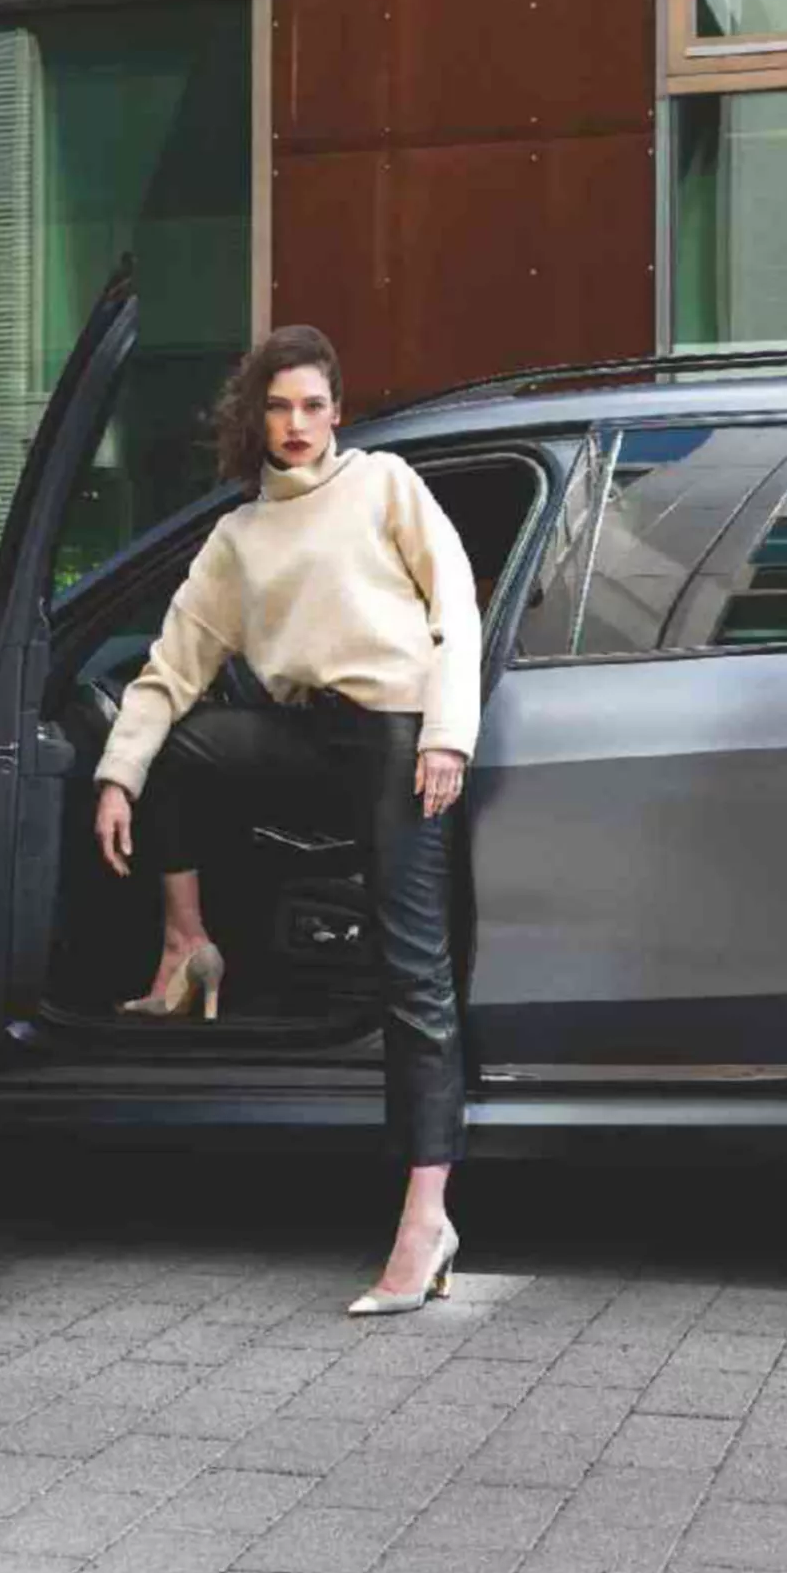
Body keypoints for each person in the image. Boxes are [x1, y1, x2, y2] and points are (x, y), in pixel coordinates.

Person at [91, 325, 480, 1316]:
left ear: (338, 411)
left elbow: (457, 607)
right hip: (308, 740)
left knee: (412, 970)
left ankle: (425, 1216)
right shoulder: (237, 538)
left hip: (398, 739)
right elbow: (170, 668)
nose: (297, 423)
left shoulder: (386, 484)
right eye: (278, 406)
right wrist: (116, 776)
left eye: (313, 404)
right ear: (255, 416)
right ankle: (189, 947)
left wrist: (448, 736)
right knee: (180, 745)